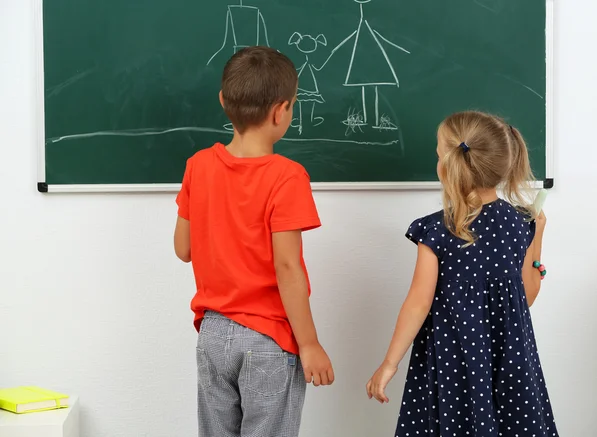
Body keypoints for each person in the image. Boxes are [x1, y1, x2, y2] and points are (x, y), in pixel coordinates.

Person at [366, 111, 559, 436]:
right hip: (508, 361)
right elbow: (525, 296)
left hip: (453, 360)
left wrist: (389, 364)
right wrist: (536, 238)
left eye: (439, 153)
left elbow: (418, 303)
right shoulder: (519, 223)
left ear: (449, 166)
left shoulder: (437, 230)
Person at [174, 46, 334, 437]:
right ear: (282, 111)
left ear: (223, 101)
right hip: (268, 339)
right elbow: (287, 266)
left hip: (212, 334)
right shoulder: (287, 176)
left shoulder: (198, 165)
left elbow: (183, 249)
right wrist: (310, 344)